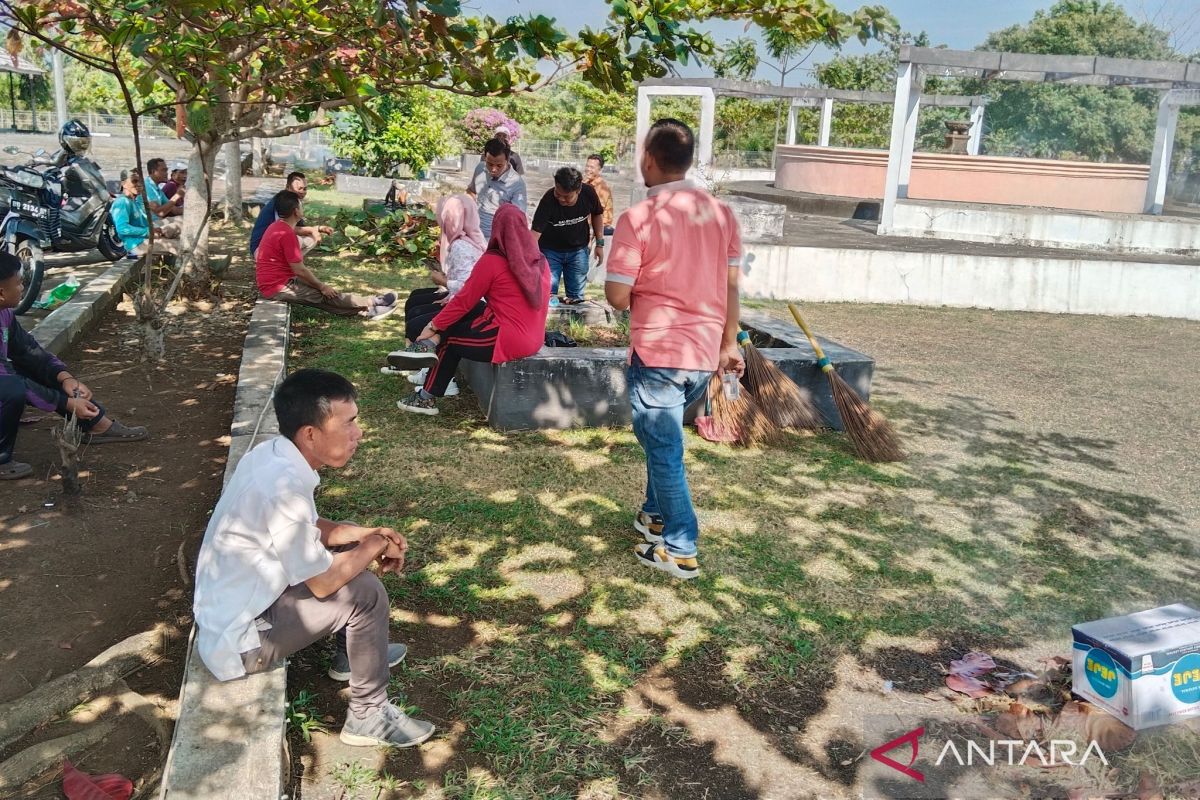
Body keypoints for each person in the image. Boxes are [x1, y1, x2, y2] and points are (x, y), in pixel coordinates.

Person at [192, 368, 436, 747]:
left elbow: (307, 526)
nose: (358, 434)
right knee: (365, 591)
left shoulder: (272, 455)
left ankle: (354, 656)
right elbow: (323, 584)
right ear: (310, 433)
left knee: (347, 535)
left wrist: (363, 534)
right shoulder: (283, 486)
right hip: (241, 642)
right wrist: (372, 546)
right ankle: (368, 716)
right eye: (348, 423)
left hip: (241, 605)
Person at [605, 118, 744, 580]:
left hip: (660, 350)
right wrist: (729, 343)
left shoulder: (638, 217)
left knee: (663, 447)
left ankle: (681, 546)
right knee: (658, 438)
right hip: (703, 353)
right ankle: (654, 514)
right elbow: (730, 288)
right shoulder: (721, 214)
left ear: (649, 157)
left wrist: (652, 281)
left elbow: (617, 296)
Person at [389, 204, 549, 417]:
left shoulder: (493, 261)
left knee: (451, 342)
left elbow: (463, 300)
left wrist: (432, 326)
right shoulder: (540, 260)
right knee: (471, 313)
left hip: (507, 337)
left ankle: (425, 397)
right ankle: (427, 345)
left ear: (496, 229)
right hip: (534, 337)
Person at [0, 253, 148, 479]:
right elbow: (9, 380)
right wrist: (66, 403)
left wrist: (65, 377)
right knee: (13, 389)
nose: (23, 287)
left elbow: (29, 351)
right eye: (19, 283)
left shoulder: (5, 313)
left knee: (33, 368)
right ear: (1, 293)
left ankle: (96, 424)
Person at [394, 194, 487, 393]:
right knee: (416, 304)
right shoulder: (470, 240)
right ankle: (420, 363)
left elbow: (468, 289)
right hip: (465, 302)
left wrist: (442, 281)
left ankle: (440, 375)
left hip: (470, 306)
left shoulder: (461, 246)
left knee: (416, 321)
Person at [255, 190, 396, 320]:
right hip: (277, 287)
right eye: (301, 205)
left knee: (323, 299)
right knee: (323, 295)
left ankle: (366, 311)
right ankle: (372, 302)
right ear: (296, 211)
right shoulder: (286, 233)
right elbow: (300, 270)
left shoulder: (277, 226)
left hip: (276, 283)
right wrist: (322, 286)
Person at [531, 166, 604, 306]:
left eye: (567, 197)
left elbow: (597, 214)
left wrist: (599, 243)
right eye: (558, 194)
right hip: (550, 251)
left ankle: (576, 325)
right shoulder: (548, 199)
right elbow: (535, 233)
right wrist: (526, 256)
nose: (561, 199)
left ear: (578, 190)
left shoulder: (588, 193)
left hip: (578, 251)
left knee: (576, 297)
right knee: (547, 294)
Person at [249, 171, 334, 257]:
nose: (303, 192)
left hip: (269, 245)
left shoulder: (291, 201)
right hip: (260, 249)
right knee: (304, 239)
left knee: (307, 238)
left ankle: (288, 264)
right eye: (299, 188)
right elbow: (284, 229)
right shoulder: (282, 203)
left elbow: (296, 228)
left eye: (305, 189)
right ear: (288, 187)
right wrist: (313, 230)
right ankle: (291, 264)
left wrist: (318, 228)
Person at [109, 170, 180, 258]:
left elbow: (144, 222)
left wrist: (155, 230)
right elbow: (122, 228)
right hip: (135, 245)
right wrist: (148, 232)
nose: (139, 184)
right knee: (177, 245)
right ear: (123, 183)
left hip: (142, 238)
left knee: (177, 233)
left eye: (141, 181)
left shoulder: (134, 200)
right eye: (134, 181)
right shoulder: (122, 202)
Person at [466, 138, 527, 240]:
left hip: (496, 240)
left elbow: (517, 219)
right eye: (490, 164)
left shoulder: (517, 183)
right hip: (472, 233)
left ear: (507, 160)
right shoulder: (480, 168)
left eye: (499, 165)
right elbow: (471, 192)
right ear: (485, 157)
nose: (493, 169)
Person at [144, 158, 184, 232]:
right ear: (153, 172)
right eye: (163, 170)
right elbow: (160, 213)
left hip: (158, 222)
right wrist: (177, 195)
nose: (167, 173)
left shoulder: (157, 188)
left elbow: (175, 210)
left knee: (186, 220)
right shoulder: (147, 187)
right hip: (149, 225)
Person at [584, 154, 615, 237]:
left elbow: (597, 212)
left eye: (592, 167)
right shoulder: (586, 183)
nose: (588, 169)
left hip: (601, 225)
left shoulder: (602, 187)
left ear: (599, 170)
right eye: (587, 166)